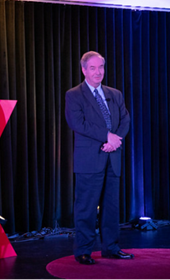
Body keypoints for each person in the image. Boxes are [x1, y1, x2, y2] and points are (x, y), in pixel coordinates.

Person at [65, 51, 133, 265]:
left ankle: (111, 248)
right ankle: (83, 251)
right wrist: (107, 136)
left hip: (113, 157)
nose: (98, 72)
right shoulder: (74, 94)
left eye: (101, 67)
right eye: (93, 68)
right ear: (84, 70)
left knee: (111, 207)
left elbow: (125, 119)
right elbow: (78, 123)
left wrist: (115, 140)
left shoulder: (115, 93)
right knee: (86, 207)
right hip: (89, 159)